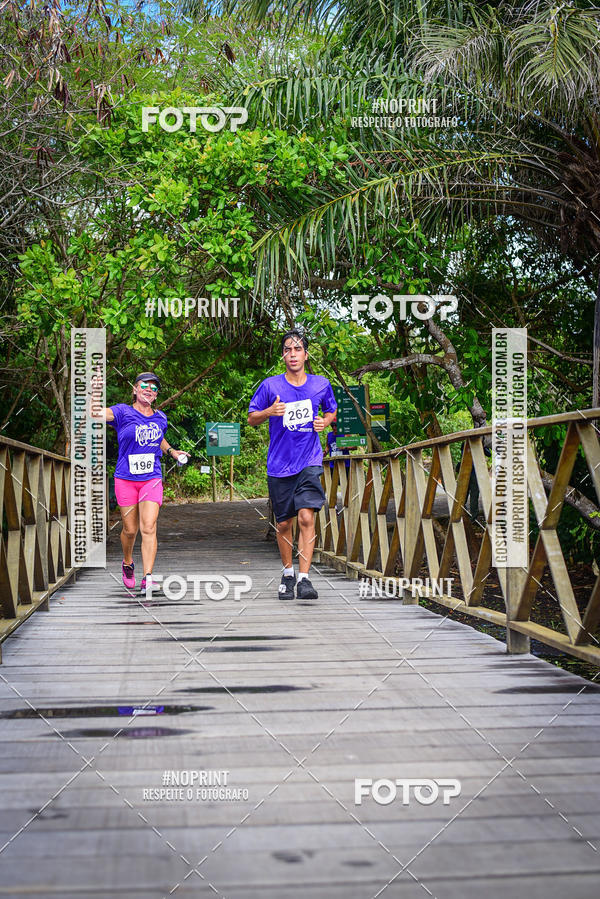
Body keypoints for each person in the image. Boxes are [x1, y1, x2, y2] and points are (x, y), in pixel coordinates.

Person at [247, 330, 337, 600]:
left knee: (306, 516)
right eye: (288, 349)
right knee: (284, 523)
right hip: (279, 464)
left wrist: (325, 422)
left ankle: (305, 579)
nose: (293, 354)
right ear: (283, 356)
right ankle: (288, 573)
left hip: (309, 460)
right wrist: (269, 412)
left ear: (306, 355)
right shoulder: (270, 386)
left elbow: (331, 410)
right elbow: (251, 418)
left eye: (298, 349)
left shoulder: (321, 384)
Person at [91, 372, 187, 593]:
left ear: (157, 395)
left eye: (154, 388)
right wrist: (95, 390)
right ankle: (127, 562)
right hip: (125, 478)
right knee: (130, 530)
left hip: (151, 478)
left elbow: (159, 438)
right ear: (134, 389)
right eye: (144, 385)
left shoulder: (160, 417)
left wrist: (172, 452)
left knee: (149, 527)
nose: (149, 389)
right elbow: (94, 413)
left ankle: (148, 578)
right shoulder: (122, 412)